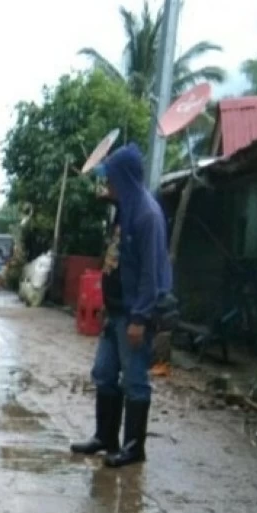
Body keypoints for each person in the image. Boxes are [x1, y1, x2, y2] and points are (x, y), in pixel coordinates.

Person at [69, 144, 172, 468]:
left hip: (133, 312)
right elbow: (115, 262)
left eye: (111, 178)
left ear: (125, 178)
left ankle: (132, 447)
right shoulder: (123, 209)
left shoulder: (147, 215)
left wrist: (140, 318)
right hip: (115, 310)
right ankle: (106, 436)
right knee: (103, 372)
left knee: (135, 379)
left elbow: (151, 274)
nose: (107, 184)